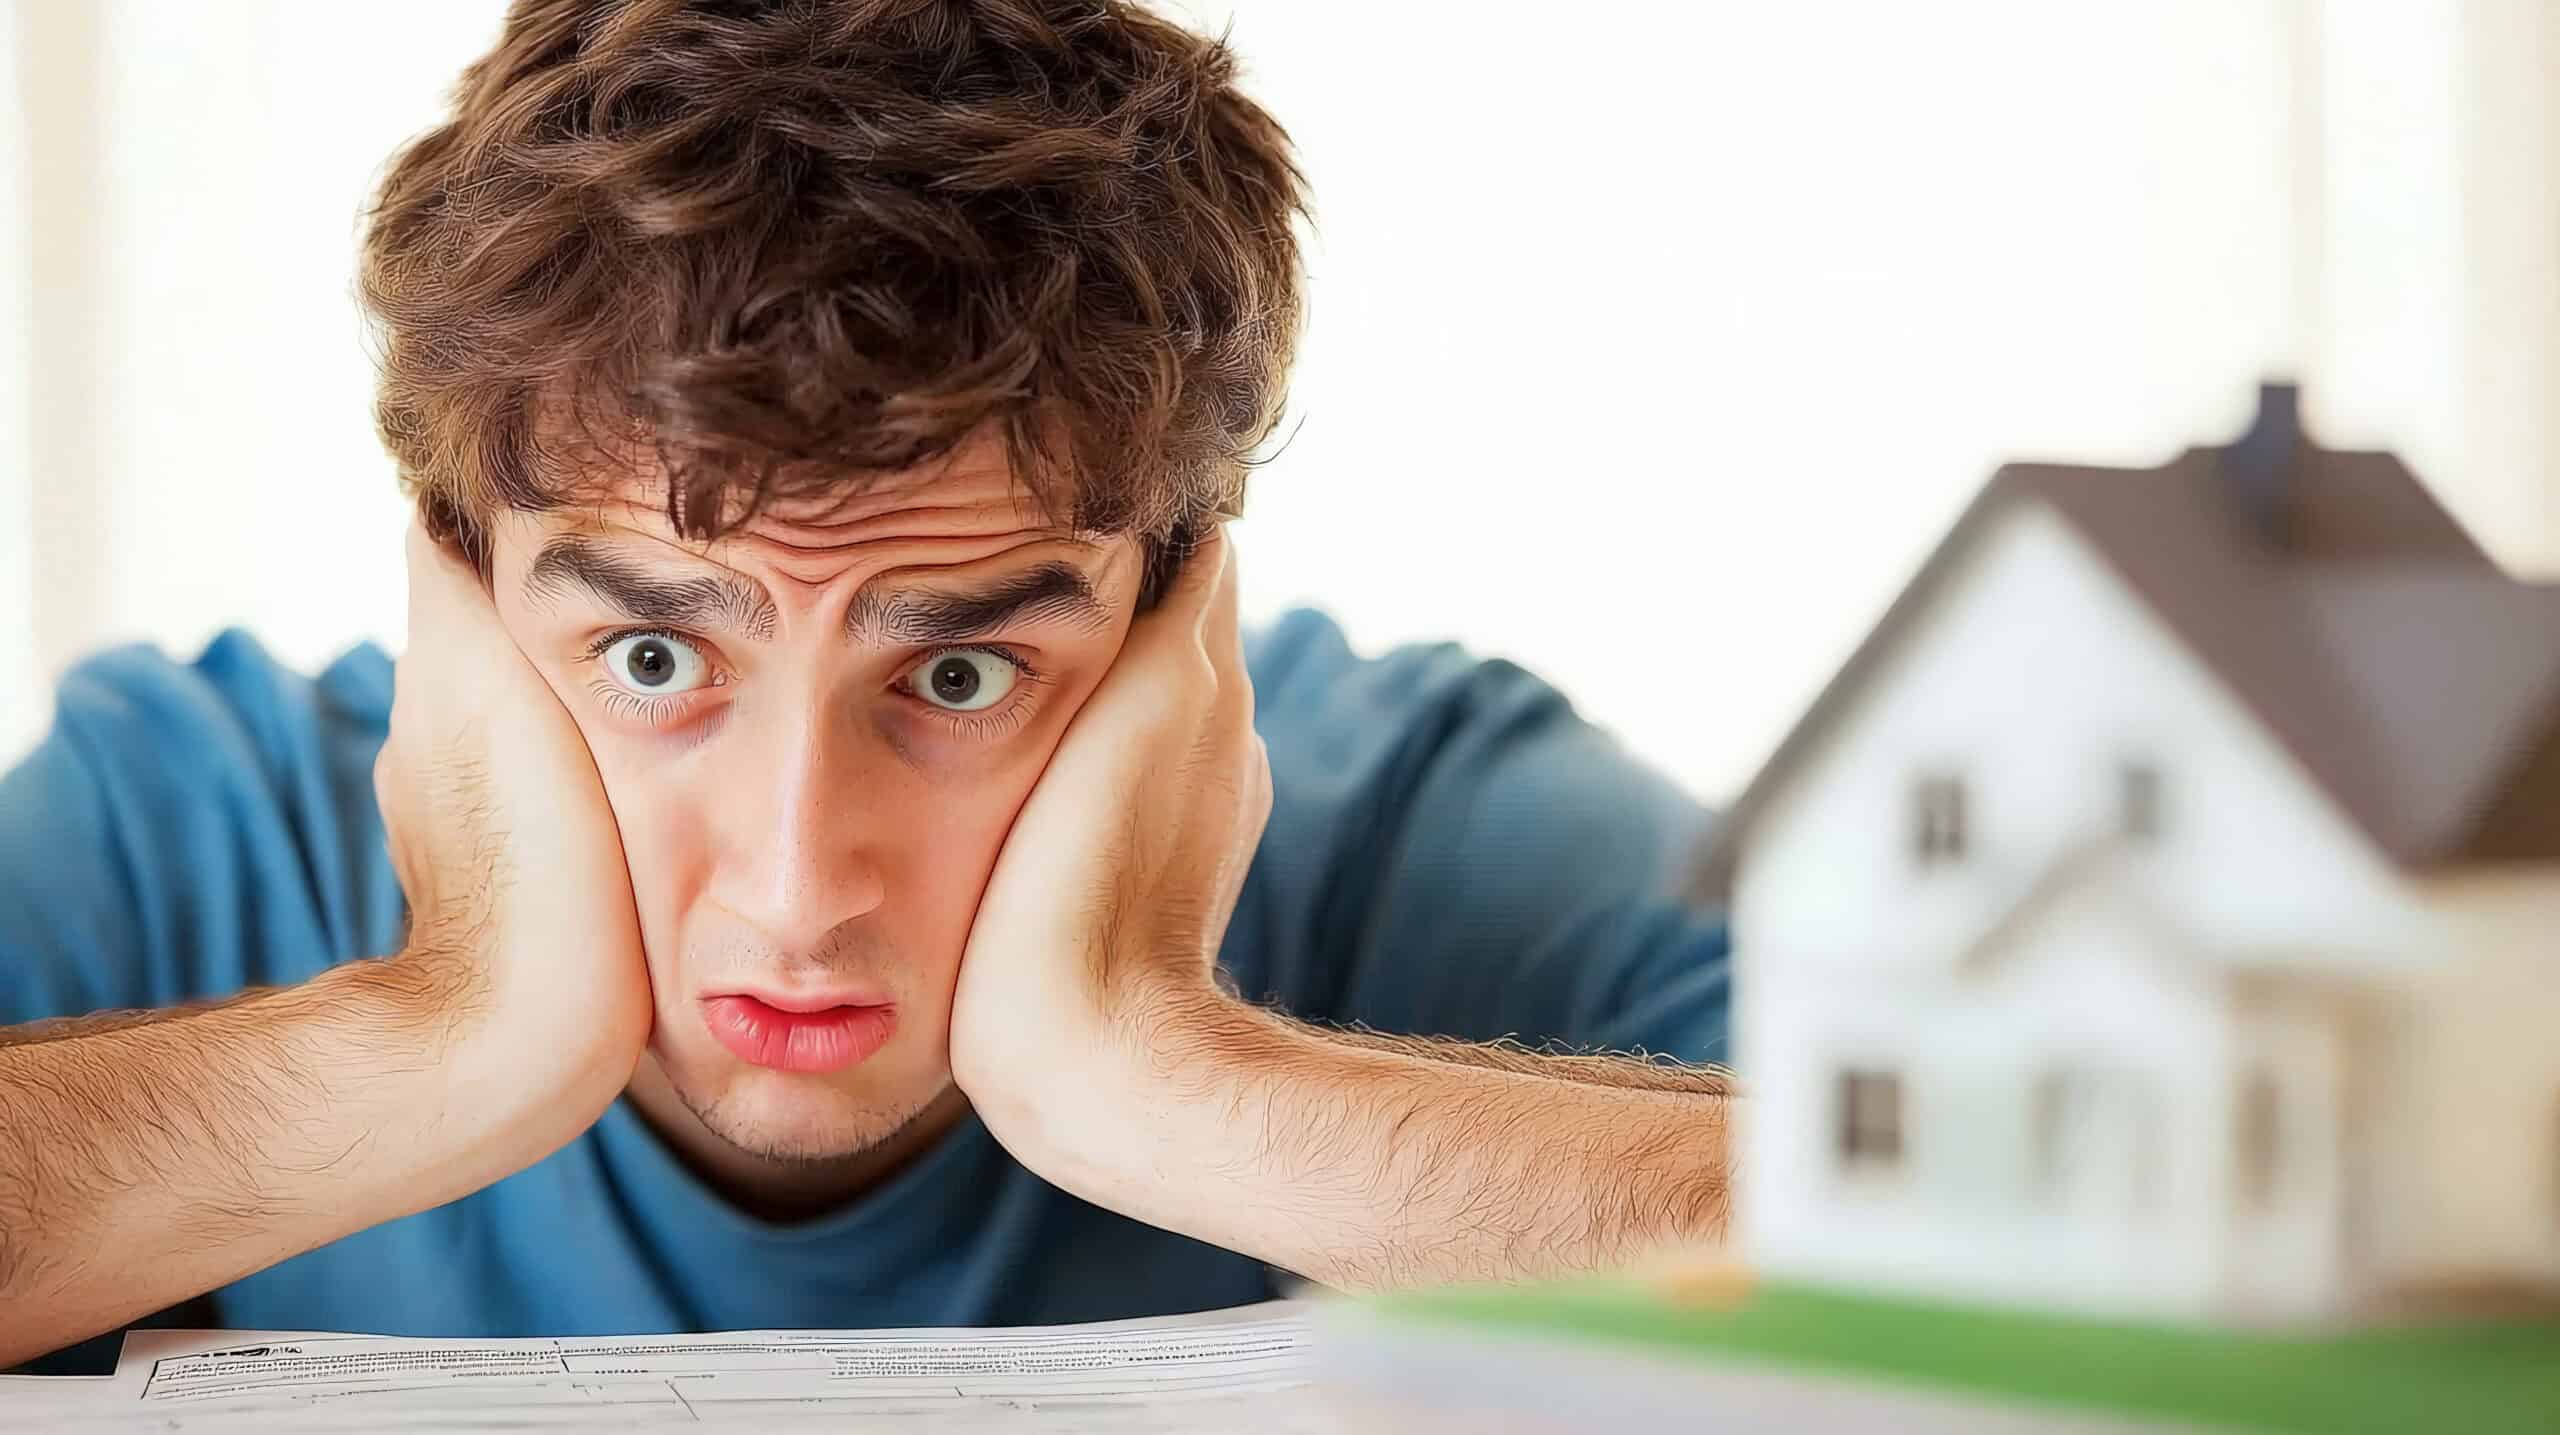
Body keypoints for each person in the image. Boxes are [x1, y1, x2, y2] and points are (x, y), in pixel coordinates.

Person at [0, 0, 1732, 1374]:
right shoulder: (179, 826)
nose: (798, 884)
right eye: (656, 657)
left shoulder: (1443, 816)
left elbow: (2005, 1282)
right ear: (455, 584)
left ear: (1175, 614)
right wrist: (450, 1035)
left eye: (961, 670)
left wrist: (1148, 1073)